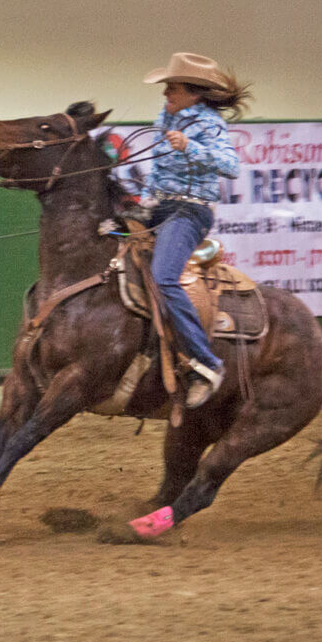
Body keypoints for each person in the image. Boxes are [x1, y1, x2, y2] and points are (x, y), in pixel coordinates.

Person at [141, 52, 251, 408]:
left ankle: (206, 362)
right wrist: (143, 201)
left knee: (164, 276)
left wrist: (191, 147)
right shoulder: (165, 118)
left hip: (190, 210)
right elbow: (157, 171)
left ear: (194, 93)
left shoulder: (209, 123)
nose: (165, 94)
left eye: (171, 88)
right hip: (159, 207)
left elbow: (230, 166)